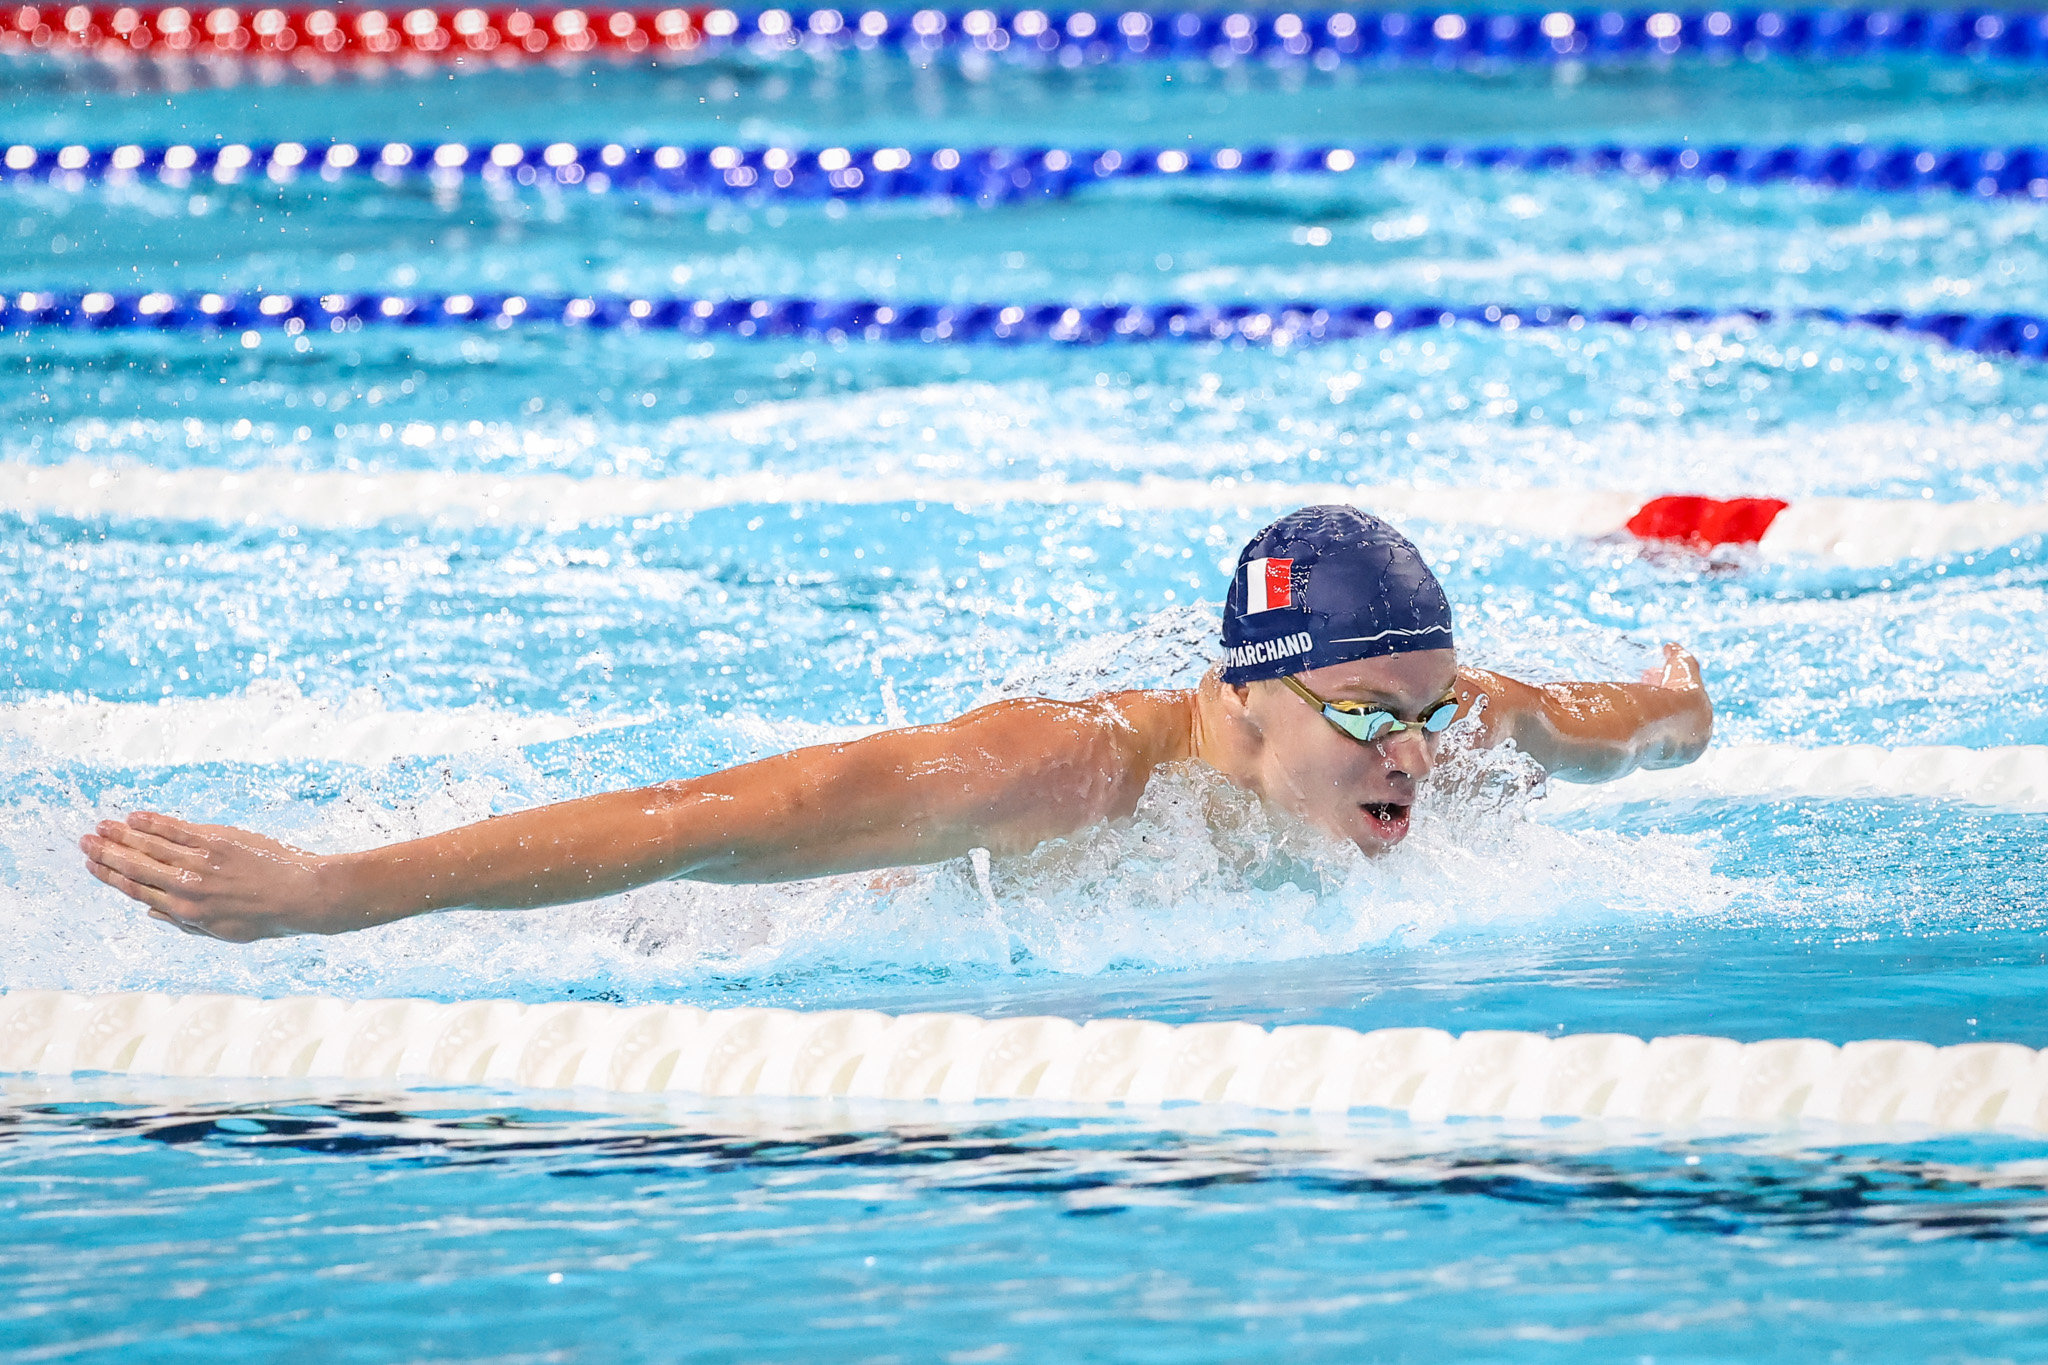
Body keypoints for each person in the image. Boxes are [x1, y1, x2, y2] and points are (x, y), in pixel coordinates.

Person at [79, 505, 1713, 943]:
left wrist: (1683, 714)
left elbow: (1622, 726)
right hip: (777, 915)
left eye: (1427, 707)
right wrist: (331, 892)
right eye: (1366, 710)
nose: (1417, 752)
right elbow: (698, 820)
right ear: (1243, 694)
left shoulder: (1455, 719)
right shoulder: (1061, 770)